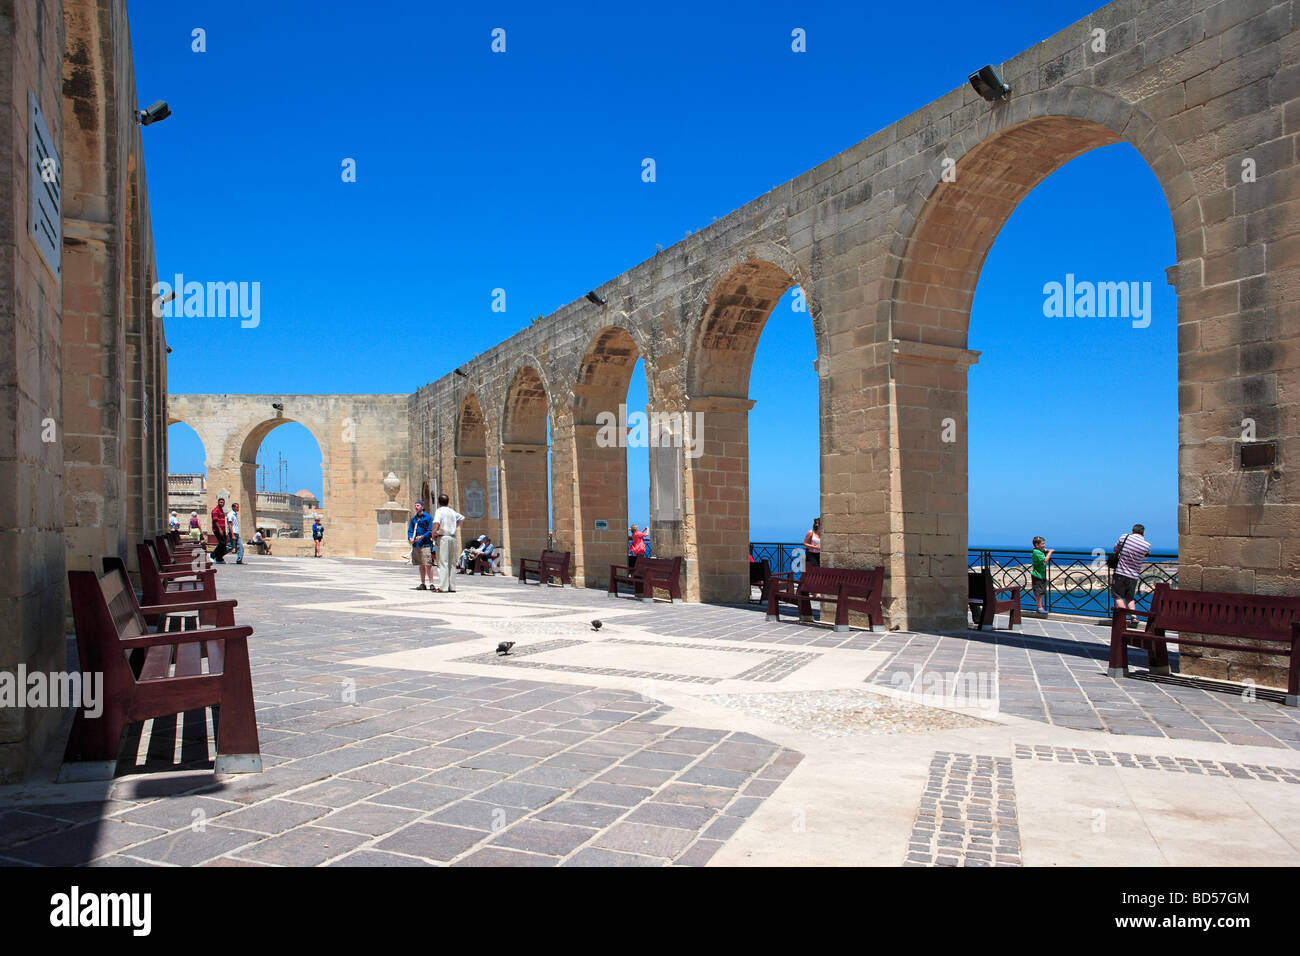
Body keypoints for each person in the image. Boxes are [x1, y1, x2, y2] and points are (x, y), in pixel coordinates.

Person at [1112, 523, 1152, 617]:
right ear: (1143, 534)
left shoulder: (1124, 537)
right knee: (1129, 598)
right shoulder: (1147, 545)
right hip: (1134, 575)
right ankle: (1134, 617)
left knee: (1118, 596)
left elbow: (1115, 549)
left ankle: (1123, 617)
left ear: (1132, 531)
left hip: (1120, 573)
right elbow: (1145, 556)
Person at [432, 493, 465, 593]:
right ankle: (452, 586)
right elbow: (462, 518)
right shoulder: (452, 511)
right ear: (448, 502)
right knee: (452, 563)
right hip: (453, 537)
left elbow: (436, 522)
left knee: (443, 562)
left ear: (438, 502)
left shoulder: (439, 511)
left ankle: (443, 587)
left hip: (443, 537)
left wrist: (433, 533)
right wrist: (454, 527)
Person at [407, 501, 435, 590]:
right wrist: (410, 537)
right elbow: (410, 530)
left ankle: (431, 583)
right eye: (415, 505)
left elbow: (430, 530)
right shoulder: (414, 519)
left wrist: (422, 536)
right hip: (417, 544)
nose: (416, 507)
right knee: (421, 564)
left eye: (418, 505)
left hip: (425, 544)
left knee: (428, 564)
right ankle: (423, 583)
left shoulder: (428, 517)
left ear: (422, 507)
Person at [1030, 536, 1054, 612]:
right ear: (1037, 545)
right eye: (1042, 544)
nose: (1044, 545)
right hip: (1038, 575)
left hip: (1040, 575)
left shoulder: (1037, 551)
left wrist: (1046, 550)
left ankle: (1040, 607)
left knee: (1041, 592)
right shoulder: (1037, 552)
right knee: (1039, 592)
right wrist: (1050, 552)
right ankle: (1039, 607)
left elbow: (1043, 550)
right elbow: (1045, 560)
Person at [211, 497, 228, 563]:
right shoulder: (215, 510)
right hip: (217, 529)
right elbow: (215, 521)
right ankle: (212, 555)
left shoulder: (221, 510)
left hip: (222, 529)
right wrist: (220, 529)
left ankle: (219, 558)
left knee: (224, 545)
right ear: (218, 502)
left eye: (223, 502)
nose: (222, 503)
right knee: (221, 543)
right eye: (221, 502)